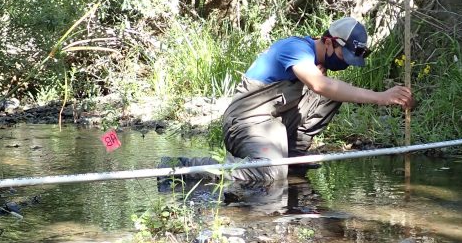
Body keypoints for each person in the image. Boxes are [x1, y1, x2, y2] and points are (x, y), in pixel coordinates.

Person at [163, 17, 413, 194]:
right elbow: (318, 85)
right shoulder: (294, 48)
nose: (345, 64)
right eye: (342, 56)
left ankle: (291, 159)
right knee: (269, 176)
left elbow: (326, 91)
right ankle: (184, 167)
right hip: (246, 122)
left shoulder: (315, 60)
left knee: (333, 94)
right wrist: (382, 97)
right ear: (328, 41)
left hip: (273, 122)